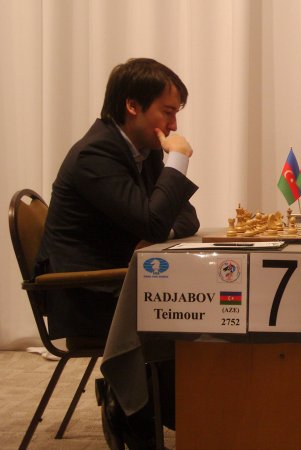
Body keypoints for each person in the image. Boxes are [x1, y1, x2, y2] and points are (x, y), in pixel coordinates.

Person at [36, 58, 200, 449]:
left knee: (197, 304)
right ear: (132, 105)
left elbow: (185, 216)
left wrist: (155, 226)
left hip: (116, 282)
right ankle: (136, 413)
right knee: (188, 311)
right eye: (167, 112)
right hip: (85, 294)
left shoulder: (142, 150)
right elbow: (153, 221)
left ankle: (147, 408)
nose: (173, 125)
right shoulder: (95, 155)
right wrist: (178, 160)